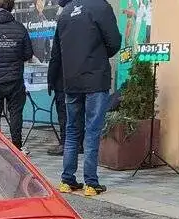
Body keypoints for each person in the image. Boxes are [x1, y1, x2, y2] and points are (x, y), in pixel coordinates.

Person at [49, 0, 119, 196]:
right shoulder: (101, 7)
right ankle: (91, 183)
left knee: (72, 130)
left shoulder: (66, 12)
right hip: (95, 78)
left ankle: (67, 180)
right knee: (92, 131)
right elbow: (114, 42)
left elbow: (57, 50)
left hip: (71, 79)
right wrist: (97, 54)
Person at [0, 0, 32, 150]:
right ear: (12, 6)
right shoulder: (20, 28)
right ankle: (16, 146)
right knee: (16, 113)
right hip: (14, 79)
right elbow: (28, 53)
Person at [45, 0, 72, 155]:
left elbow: (55, 56)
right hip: (80, 78)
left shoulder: (62, 24)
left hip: (63, 80)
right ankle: (78, 144)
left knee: (64, 114)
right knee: (77, 113)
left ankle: (65, 144)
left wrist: (50, 79)